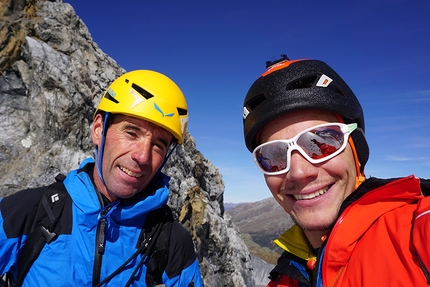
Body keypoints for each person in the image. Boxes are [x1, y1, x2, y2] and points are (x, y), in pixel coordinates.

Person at [0, 70, 203, 286]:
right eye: (131, 133)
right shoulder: (27, 213)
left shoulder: (173, 243)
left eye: (158, 145)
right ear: (98, 129)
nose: (142, 156)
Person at [242, 55, 430, 286]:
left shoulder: (416, 233)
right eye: (273, 155)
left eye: (322, 142)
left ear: (356, 148)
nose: (299, 172)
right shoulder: (284, 278)